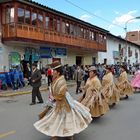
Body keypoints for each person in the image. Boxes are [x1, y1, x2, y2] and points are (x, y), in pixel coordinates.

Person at [34, 61, 92, 140]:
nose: (52, 72)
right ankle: (56, 134)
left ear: (58, 72)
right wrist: (51, 97)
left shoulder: (62, 80)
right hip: (58, 103)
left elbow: (61, 94)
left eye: (54, 71)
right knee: (58, 119)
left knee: (66, 119)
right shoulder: (56, 79)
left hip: (64, 104)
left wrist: (53, 98)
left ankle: (69, 134)